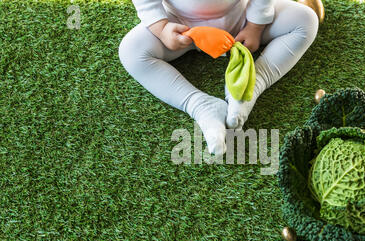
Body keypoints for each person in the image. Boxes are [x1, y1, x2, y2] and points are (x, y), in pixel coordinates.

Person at [119, 0, 319, 155]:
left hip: (241, 18)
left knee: (305, 19)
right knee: (131, 51)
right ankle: (199, 104)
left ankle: (253, 82)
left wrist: (255, 25)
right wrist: (161, 28)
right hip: (181, 26)